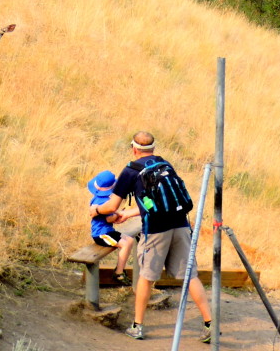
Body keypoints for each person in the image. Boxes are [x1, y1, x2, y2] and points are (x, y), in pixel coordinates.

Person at [90, 131, 212, 342]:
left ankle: (138, 326)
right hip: (181, 226)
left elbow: (111, 206)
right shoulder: (164, 164)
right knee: (189, 276)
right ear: (153, 149)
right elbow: (158, 202)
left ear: (134, 149)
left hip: (156, 231)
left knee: (146, 277)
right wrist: (130, 213)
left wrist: (97, 211)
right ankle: (210, 324)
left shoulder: (130, 171)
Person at [87, 169, 141, 284]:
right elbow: (108, 218)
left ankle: (120, 269)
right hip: (101, 234)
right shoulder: (105, 202)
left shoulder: (97, 198)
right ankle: (118, 273)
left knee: (130, 240)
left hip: (108, 231)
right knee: (125, 244)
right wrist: (118, 214)